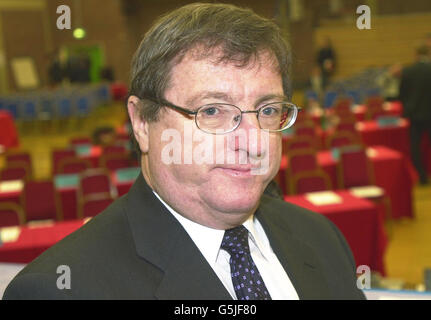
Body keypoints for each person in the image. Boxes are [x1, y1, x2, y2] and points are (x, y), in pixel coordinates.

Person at [3, 3, 364, 300]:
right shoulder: (58, 290)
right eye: (212, 111)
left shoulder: (322, 237)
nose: (254, 142)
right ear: (142, 122)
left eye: (268, 110)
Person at [399, 46, 431, 185]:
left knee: (415, 147)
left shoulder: (408, 71)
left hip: (415, 115)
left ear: (415, 54)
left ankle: (422, 176)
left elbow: (401, 94)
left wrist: (409, 107)